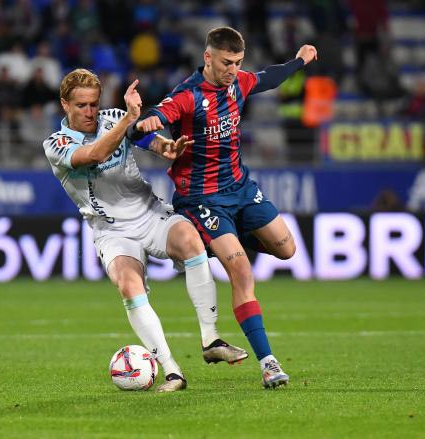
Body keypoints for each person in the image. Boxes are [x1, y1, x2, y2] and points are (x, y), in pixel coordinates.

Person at [42, 68, 248, 393]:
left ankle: (211, 339)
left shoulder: (113, 118)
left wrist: (164, 146)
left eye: (94, 104)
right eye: (81, 105)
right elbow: (95, 153)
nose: (90, 112)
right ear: (64, 104)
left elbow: (143, 137)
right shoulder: (57, 143)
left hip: (150, 213)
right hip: (111, 231)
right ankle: (172, 372)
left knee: (192, 241)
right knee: (128, 285)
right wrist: (128, 120)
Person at [136, 27, 318, 389]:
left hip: (240, 187)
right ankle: (269, 364)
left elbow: (269, 78)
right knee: (243, 274)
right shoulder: (188, 96)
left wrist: (299, 61)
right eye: (225, 63)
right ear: (207, 58)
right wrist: (152, 124)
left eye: (237, 63)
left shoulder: (240, 83)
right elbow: (143, 127)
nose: (232, 70)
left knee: (287, 248)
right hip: (202, 199)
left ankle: (218, 246)